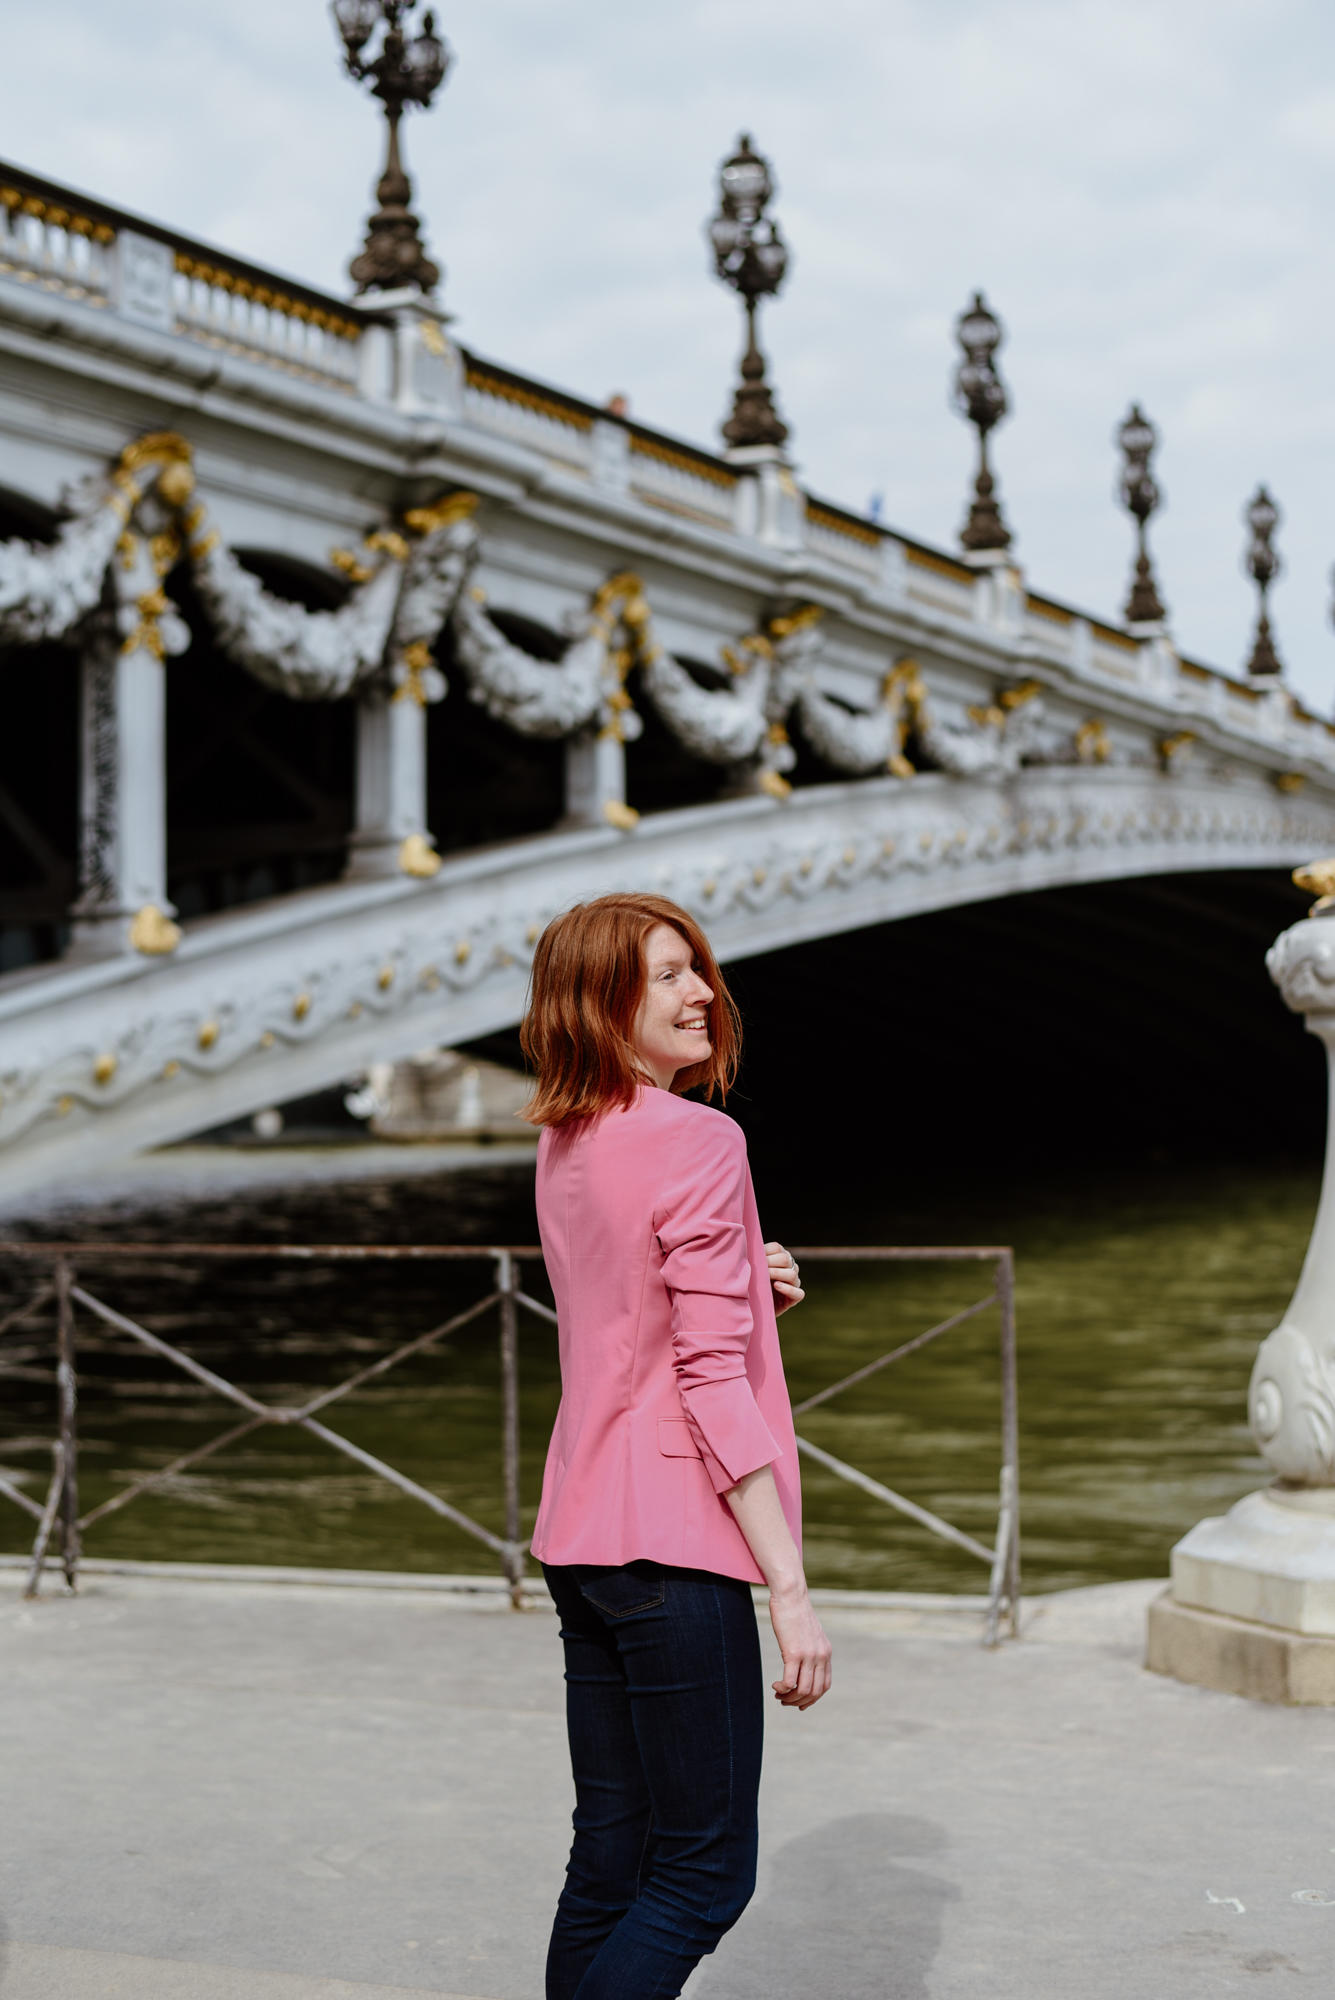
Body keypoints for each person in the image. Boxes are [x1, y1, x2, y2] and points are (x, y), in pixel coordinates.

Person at [521, 890, 832, 2000]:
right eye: (667, 973)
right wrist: (788, 1584)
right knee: (702, 1874)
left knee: (610, 1853)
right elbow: (703, 1375)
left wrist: (751, 1282)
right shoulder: (702, 1136)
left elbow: (629, 1328)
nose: (703, 991)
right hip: (673, 1547)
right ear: (603, 1000)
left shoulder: (564, 1141)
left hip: (582, 1539)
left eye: (697, 966)